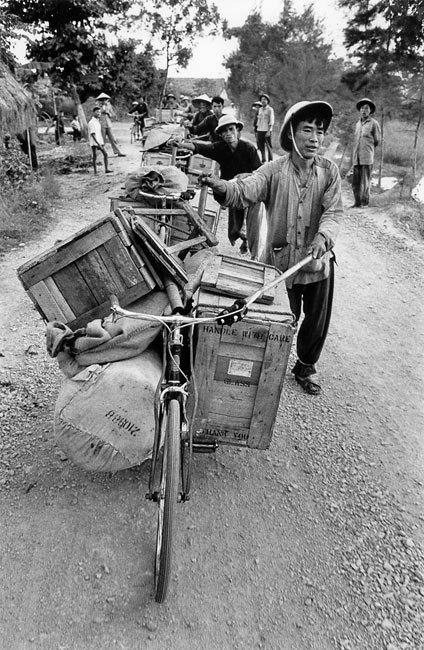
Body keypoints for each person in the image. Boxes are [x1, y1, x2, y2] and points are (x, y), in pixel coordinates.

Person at [200, 101, 343, 395]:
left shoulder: (330, 172)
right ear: (291, 133)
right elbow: (246, 189)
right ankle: (267, 370)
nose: (315, 138)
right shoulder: (273, 170)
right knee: (276, 323)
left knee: (315, 323)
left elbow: (334, 212)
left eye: (320, 131)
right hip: (279, 264)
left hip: (316, 264)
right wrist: (224, 188)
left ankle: (306, 366)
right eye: (307, 130)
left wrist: (324, 235)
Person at [172, 113, 262, 256]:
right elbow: (199, 147)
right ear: (220, 134)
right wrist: (181, 143)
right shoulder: (220, 148)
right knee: (236, 224)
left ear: (237, 130)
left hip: (250, 188)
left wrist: (244, 177)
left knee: (252, 221)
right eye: (224, 131)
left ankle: (253, 251)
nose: (228, 134)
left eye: (231, 129)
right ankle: (242, 237)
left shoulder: (249, 149)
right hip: (230, 190)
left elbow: (259, 173)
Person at [351, 97, 381, 208]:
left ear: (370, 111)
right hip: (356, 157)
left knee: (365, 181)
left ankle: (364, 203)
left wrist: (368, 149)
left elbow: (377, 140)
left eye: (366, 108)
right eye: (362, 108)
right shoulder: (358, 124)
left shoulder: (374, 123)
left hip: (367, 157)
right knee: (356, 182)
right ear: (360, 110)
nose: (364, 110)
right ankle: (357, 202)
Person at [95, 92, 126, 157]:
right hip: (101, 124)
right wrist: (103, 110)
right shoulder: (97, 106)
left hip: (108, 123)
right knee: (102, 139)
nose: (104, 100)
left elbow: (112, 114)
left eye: (105, 99)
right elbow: (96, 114)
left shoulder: (109, 105)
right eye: (102, 99)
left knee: (112, 138)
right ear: (100, 100)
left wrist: (108, 113)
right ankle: (102, 153)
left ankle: (118, 151)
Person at [88, 106, 112, 175]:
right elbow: (92, 134)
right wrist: (98, 144)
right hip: (94, 142)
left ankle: (106, 169)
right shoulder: (92, 122)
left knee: (105, 154)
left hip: (99, 141)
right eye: (97, 112)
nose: (99, 113)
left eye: (99, 112)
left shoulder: (97, 122)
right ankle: (95, 172)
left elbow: (99, 133)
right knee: (95, 156)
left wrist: (101, 142)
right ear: (93, 113)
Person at [256, 93, 274, 162]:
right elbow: (258, 120)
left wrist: (269, 131)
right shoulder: (260, 109)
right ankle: (263, 159)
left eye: (265, 99)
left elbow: (271, 120)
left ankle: (271, 160)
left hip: (266, 130)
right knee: (261, 145)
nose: (263, 101)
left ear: (267, 101)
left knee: (268, 145)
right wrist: (257, 129)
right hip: (260, 129)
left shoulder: (270, 109)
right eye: (262, 99)